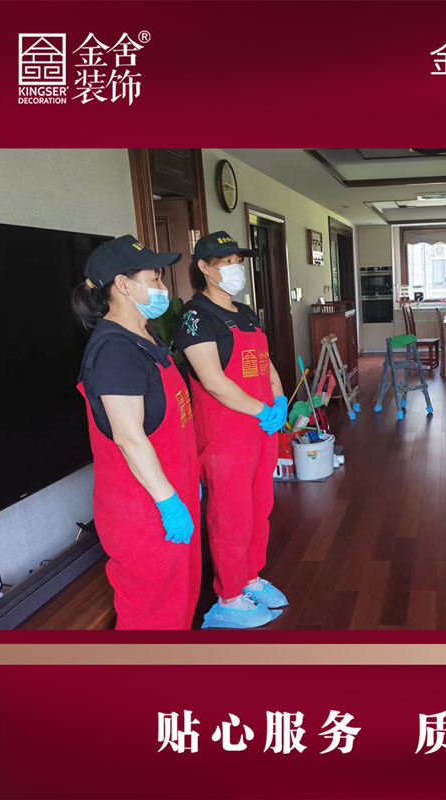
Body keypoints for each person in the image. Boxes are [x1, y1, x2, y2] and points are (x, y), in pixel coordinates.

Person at [72, 235, 201, 630]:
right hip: (145, 512)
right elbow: (128, 437)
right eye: (155, 278)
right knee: (151, 618)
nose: (163, 287)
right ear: (123, 285)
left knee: (178, 604)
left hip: (171, 492)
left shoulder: (144, 336)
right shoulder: (114, 351)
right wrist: (169, 502)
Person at [174, 231, 289, 629]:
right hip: (226, 437)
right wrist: (262, 409)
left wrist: (279, 398)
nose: (236, 268)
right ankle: (229, 595)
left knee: (260, 508)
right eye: (226, 262)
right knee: (231, 515)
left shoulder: (246, 313)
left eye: (238, 260)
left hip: (260, 430)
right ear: (205, 268)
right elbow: (213, 381)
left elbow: (266, 363)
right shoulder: (195, 317)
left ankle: (250, 577)